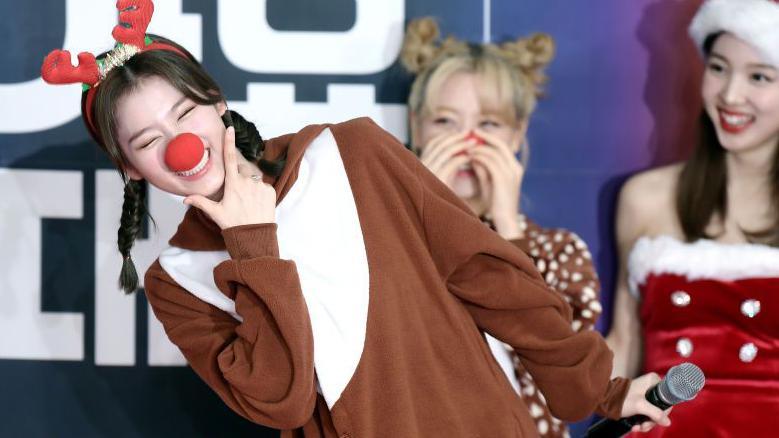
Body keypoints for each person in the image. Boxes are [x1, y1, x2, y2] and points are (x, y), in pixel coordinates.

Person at [41, 1, 670, 436]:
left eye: (185, 113)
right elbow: (278, 401)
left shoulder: (349, 152)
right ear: (129, 169)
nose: (181, 144)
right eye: (148, 142)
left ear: (218, 103)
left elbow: (492, 279)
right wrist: (252, 246)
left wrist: (603, 390)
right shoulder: (176, 280)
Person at [401, 18, 602, 437]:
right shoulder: (384, 239)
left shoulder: (559, 250)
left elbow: (565, 368)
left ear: (517, 134)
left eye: (489, 125)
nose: (467, 143)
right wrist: (428, 211)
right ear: (416, 126)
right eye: (445, 123)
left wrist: (509, 231)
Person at [606, 0, 779, 436]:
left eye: (759, 77)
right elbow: (624, 346)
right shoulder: (645, 199)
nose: (730, 95)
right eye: (719, 68)